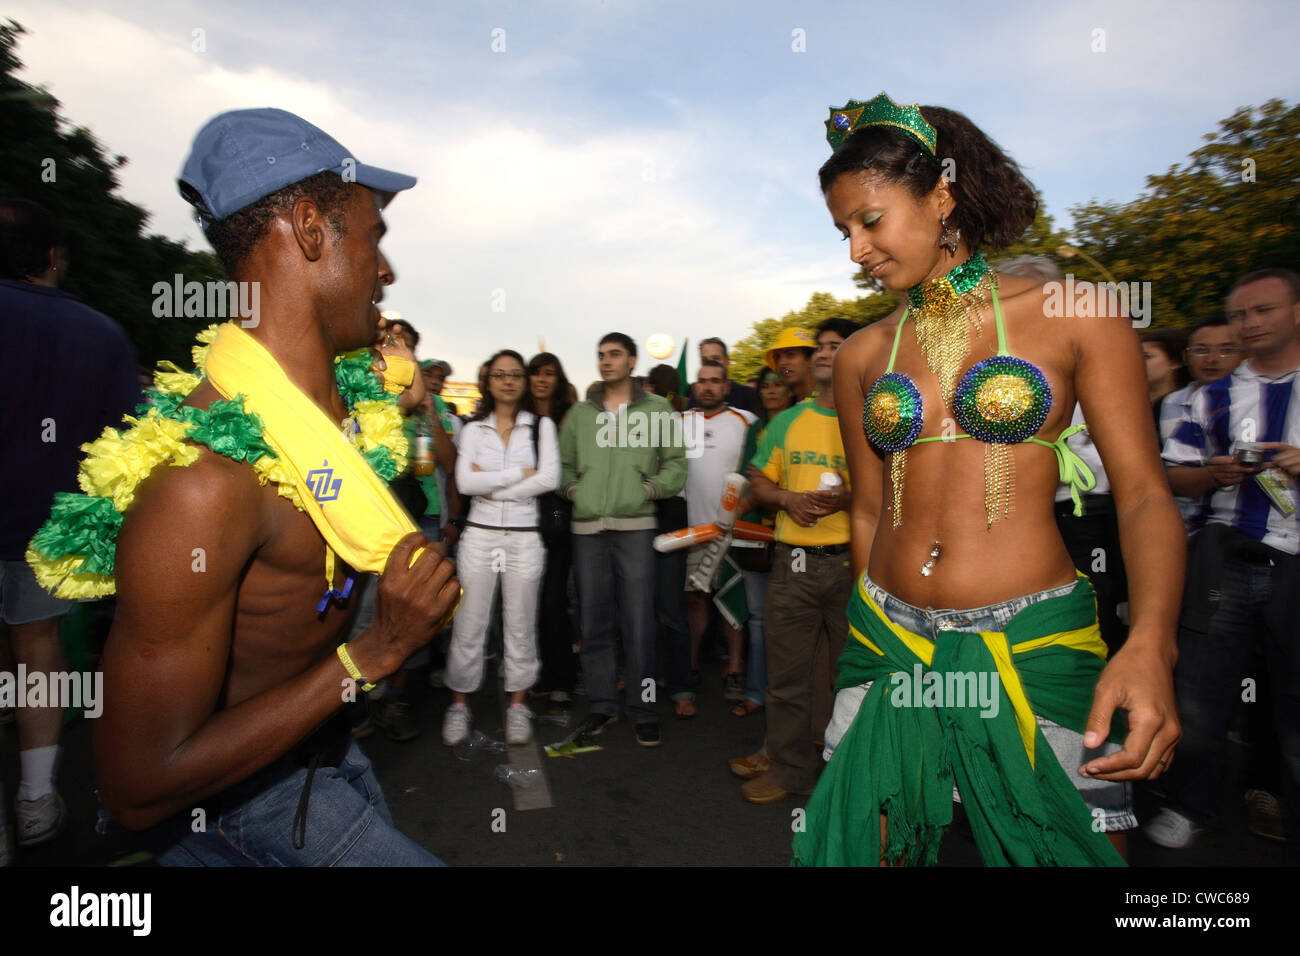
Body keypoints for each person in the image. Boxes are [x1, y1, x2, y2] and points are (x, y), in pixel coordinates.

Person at [28, 108, 460, 865]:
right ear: (310, 229)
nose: (385, 271)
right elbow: (135, 784)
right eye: (373, 237)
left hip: (325, 759)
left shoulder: (326, 417)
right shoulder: (203, 484)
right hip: (246, 808)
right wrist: (377, 653)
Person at [793, 94, 1182, 866]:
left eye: (869, 220)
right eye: (842, 231)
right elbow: (868, 515)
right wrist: (873, 638)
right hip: (892, 645)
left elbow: (1141, 494)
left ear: (941, 194)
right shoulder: (865, 354)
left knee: (1068, 852)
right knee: (860, 848)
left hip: (1034, 645)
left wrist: (1150, 645)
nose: (854, 251)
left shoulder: (1074, 311)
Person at [0, 199, 139, 852]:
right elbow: (129, 445)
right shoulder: (101, 334)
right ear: (55, 257)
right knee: (38, 652)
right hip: (50, 529)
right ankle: (35, 798)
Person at [1149, 268, 1300, 856]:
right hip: (1225, 552)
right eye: (1240, 314)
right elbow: (1171, 478)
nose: (1249, 324)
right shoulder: (1205, 397)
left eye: (1263, 310)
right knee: (1202, 692)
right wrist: (1213, 474)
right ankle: (1192, 806)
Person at [731, 318, 857, 804]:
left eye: (836, 346)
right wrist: (786, 499)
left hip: (852, 564)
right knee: (786, 676)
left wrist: (850, 495)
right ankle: (788, 770)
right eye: (820, 346)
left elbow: (893, 486)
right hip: (794, 564)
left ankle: (846, 772)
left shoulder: (873, 416)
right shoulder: (788, 420)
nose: (825, 353)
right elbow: (758, 481)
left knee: (850, 677)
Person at [560, 333, 687, 747]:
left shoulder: (659, 409)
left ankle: (643, 709)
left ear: (632, 361)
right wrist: (574, 491)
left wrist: (649, 490)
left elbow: (675, 465)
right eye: (600, 355)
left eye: (614, 354)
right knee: (594, 621)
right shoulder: (580, 413)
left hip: (636, 528)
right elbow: (562, 465)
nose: (606, 361)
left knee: (638, 622)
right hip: (587, 531)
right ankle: (601, 705)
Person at [444, 350, 557, 746]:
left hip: (526, 536)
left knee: (521, 623)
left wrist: (491, 482)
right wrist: (515, 475)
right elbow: (464, 484)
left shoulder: (541, 427)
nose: (507, 381)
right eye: (499, 375)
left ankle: (518, 706)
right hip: (479, 534)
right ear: (487, 382)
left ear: (523, 382)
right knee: (469, 623)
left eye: (514, 375)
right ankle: (458, 705)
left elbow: (550, 479)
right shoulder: (473, 429)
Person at [682, 360, 756, 706]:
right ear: (695, 387)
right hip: (693, 529)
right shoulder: (678, 423)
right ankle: (691, 665)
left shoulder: (746, 421)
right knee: (695, 599)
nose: (708, 387)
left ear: (727, 386)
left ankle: (737, 668)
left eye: (715, 381)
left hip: (733, 530)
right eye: (702, 382)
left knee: (732, 603)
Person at [1157, 314, 1244, 532]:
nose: (1212, 359)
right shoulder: (1169, 402)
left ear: (1245, 354)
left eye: (1226, 350)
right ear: (1186, 356)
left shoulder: (1261, 401)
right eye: (1201, 349)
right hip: (1183, 525)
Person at [525, 352, 578, 703]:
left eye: (549, 374)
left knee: (553, 599)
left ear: (558, 380)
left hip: (558, 519)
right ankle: (539, 675)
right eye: (536, 374)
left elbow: (572, 468)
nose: (542, 380)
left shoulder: (569, 418)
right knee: (527, 600)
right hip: (522, 518)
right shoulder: (517, 417)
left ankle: (563, 679)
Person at [642, 364, 695, 718]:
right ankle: (644, 681)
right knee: (637, 609)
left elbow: (675, 477)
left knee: (670, 609)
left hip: (670, 520)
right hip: (635, 519)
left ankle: (680, 687)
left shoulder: (681, 426)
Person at [686, 338, 762, 416]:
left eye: (716, 358)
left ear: (727, 361)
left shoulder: (747, 395)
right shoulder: (696, 397)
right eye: (705, 360)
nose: (710, 363)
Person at [1141, 329, 1190, 429]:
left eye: (1146, 357)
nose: (1137, 362)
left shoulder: (1190, 409)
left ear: (1174, 362)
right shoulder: (1128, 408)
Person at [764, 327, 816, 402]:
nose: (781, 363)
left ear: (811, 360)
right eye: (777, 357)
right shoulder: (792, 411)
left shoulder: (832, 404)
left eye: (790, 355)